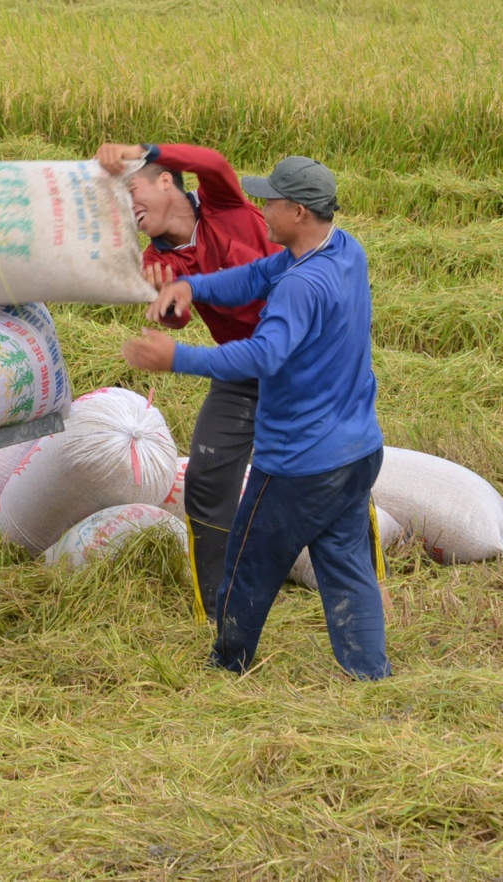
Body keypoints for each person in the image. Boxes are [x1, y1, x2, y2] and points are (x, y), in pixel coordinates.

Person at [121, 157, 390, 681]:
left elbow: (262, 357)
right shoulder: (344, 250)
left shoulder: (300, 287)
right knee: (345, 566)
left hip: (299, 463)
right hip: (357, 450)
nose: (261, 209)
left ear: (297, 211)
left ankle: (227, 668)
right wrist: (194, 289)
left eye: (270, 202)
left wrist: (178, 358)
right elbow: (255, 274)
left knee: (248, 566)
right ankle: (370, 674)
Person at [97, 142, 280, 623]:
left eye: (131, 188)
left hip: (300, 361)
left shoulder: (222, 203)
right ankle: (217, 610)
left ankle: (366, 584)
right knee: (206, 478)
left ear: (165, 180)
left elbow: (215, 162)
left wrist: (144, 150)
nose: (128, 206)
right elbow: (178, 320)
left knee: (319, 473)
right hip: (241, 368)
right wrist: (162, 297)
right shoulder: (162, 261)